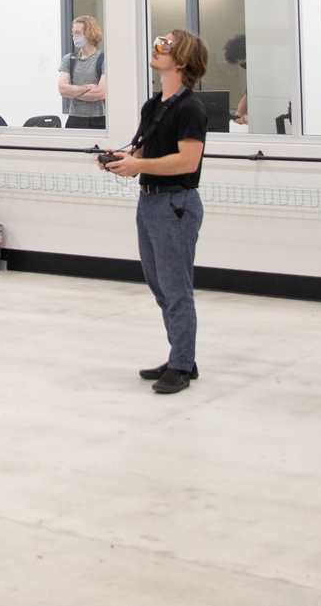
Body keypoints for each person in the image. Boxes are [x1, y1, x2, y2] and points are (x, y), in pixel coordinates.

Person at [101, 29, 209, 396]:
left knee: (176, 288)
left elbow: (187, 160)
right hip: (149, 201)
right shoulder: (154, 106)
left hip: (175, 204)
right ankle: (182, 353)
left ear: (180, 61)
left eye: (165, 46)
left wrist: (138, 166)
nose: (156, 48)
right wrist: (122, 161)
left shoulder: (190, 108)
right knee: (160, 284)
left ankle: (181, 365)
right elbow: (143, 152)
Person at [59, 15, 107, 129]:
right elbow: (62, 89)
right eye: (73, 33)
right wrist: (87, 87)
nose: (74, 36)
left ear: (89, 33)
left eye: (77, 32)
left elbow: (100, 93)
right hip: (74, 119)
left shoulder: (103, 59)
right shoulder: (68, 59)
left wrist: (73, 91)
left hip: (98, 119)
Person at [222, 33, 248, 128]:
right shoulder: (252, 78)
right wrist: (238, 114)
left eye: (244, 62)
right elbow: (247, 97)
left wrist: (250, 118)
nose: (243, 66)